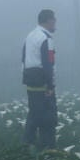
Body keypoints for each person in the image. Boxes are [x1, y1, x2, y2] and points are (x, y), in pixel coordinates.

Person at [21, 9, 57, 149]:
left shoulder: (30, 36)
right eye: (54, 20)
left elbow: (24, 60)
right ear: (48, 20)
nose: (55, 24)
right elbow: (48, 62)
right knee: (48, 120)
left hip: (31, 83)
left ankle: (26, 147)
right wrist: (50, 86)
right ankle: (48, 151)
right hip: (43, 85)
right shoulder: (46, 38)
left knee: (33, 117)